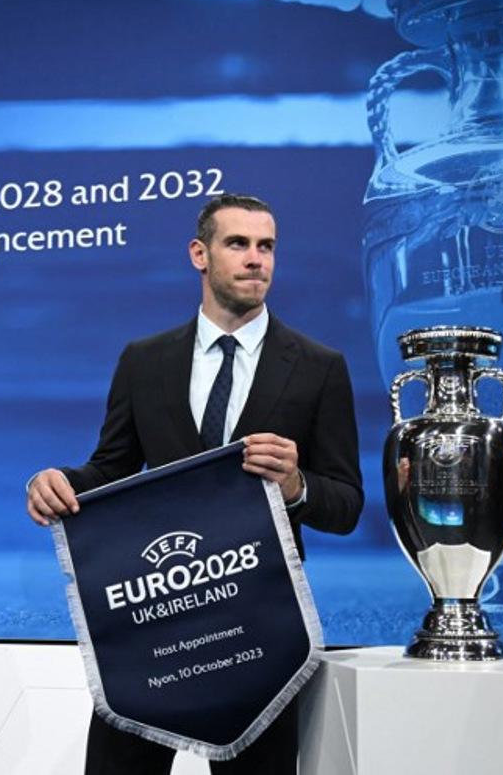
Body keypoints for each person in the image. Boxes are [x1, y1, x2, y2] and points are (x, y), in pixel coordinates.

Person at [27, 193, 364, 774]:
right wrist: (55, 481)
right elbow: (110, 467)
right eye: (238, 244)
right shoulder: (144, 361)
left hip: (259, 625)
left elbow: (347, 504)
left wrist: (296, 486)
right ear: (199, 254)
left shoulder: (318, 365)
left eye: (267, 247)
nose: (256, 259)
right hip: (151, 615)